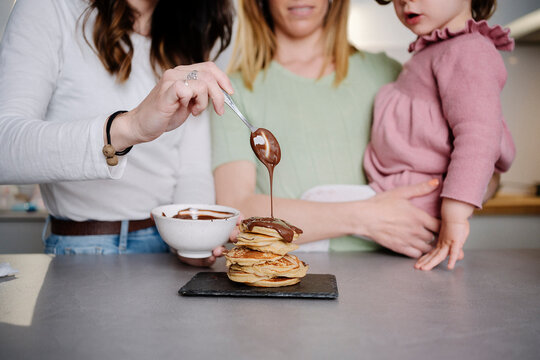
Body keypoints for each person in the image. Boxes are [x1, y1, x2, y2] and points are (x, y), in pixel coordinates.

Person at [0, 0, 235, 266]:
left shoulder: (185, 29)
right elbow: (4, 148)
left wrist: (192, 241)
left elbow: (192, 168)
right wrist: (128, 127)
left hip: (167, 252)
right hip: (83, 252)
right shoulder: (50, 8)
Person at [211, 0, 443, 258]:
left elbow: (469, 165)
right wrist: (365, 217)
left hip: (393, 269)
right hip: (290, 277)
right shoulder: (233, 91)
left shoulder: (386, 73)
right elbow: (236, 208)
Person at [361, 0, 515, 270]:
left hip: (424, 197)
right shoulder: (439, 48)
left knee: (316, 202)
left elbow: (478, 136)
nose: (407, 1)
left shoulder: (469, 50)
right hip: (404, 190)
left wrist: (455, 216)